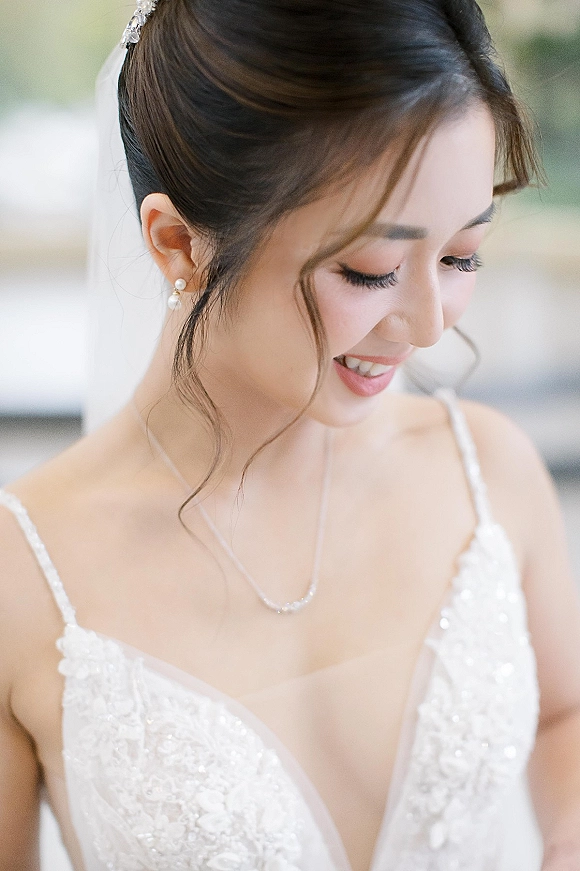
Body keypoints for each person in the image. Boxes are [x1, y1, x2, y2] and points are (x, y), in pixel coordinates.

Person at [1, 1, 580, 869]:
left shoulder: (487, 471)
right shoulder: (21, 576)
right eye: (371, 269)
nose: (430, 325)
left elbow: (564, 712)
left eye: (461, 255)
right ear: (178, 242)